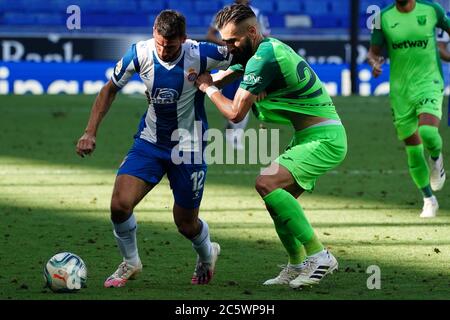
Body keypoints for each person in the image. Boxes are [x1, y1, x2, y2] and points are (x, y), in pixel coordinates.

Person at [76, 10, 234, 287]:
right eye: (159, 43)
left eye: (170, 46)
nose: (163, 50)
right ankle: (131, 262)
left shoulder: (202, 52)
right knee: (119, 205)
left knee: (185, 224)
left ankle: (208, 253)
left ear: (183, 39)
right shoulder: (139, 53)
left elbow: (247, 57)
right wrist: (90, 131)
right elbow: (108, 89)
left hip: (189, 148)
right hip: (150, 142)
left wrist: (223, 81)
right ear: (153, 33)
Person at [196, 4, 347, 289]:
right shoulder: (264, 50)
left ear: (252, 31)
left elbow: (234, 113)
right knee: (276, 202)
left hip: (325, 139)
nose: (227, 47)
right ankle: (296, 264)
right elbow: (223, 75)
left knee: (266, 183)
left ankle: (319, 255)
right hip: (309, 137)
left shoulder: (262, 59)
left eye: (232, 41)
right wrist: (199, 80)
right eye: (224, 40)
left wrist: (207, 89)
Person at [367, 0, 448, 218]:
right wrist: (374, 63)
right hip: (401, 91)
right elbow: (372, 52)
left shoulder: (432, 10)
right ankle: (428, 199)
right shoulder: (382, 18)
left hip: (429, 82)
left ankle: (436, 159)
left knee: (428, 132)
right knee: (412, 148)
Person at [206, 0, 271, 150]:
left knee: (246, 96)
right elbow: (209, 35)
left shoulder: (257, 14)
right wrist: (229, 45)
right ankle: (230, 128)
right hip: (229, 59)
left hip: (250, 60)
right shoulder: (225, 13)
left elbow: (265, 37)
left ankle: (236, 136)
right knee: (228, 98)